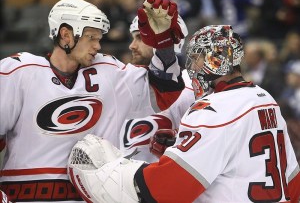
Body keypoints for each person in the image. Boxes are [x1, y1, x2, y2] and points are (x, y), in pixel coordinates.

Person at [68, 25, 300, 203]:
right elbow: (293, 182)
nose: (192, 65)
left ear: (214, 61)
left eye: (197, 58)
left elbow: (166, 189)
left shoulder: (213, 110)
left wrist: (117, 171)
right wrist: (182, 146)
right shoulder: (264, 99)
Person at [0, 0, 185, 202]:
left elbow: (164, 93)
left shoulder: (109, 72)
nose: (98, 46)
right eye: (91, 38)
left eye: (99, 38)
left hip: (90, 195)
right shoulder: (19, 71)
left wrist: (164, 44)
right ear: (66, 35)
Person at [118, 14, 195, 162]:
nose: (132, 45)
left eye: (140, 38)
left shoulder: (191, 83)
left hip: (163, 177)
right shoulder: (125, 79)